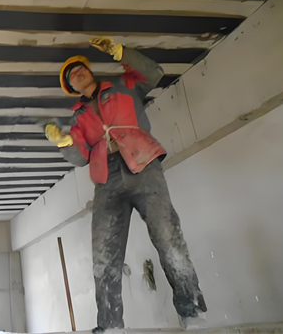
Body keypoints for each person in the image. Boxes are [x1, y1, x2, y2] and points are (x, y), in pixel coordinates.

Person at [45, 37, 206, 331]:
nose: (77, 73)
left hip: (143, 164)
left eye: (80, 68)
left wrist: (120, 52)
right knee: (104, 255)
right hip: (107, 180)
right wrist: (64, 143)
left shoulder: (124, 86)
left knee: (168, 238)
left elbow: (154, 73)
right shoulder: (79, 120)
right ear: (71, 88)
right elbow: (80, 157)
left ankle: (192, 311)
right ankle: (110, 325)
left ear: (90, 71)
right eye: (71, 75)